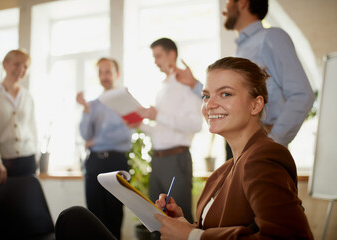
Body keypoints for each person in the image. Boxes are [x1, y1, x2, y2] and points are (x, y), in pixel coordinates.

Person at [54, 57, 314, 240]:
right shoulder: (224, 170)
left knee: (74, 219)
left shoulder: (264, 156)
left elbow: (288, 237)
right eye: (206, 95)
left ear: (256, 105)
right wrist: (183, 224)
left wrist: (191, 235)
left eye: (225, 94)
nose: (210, 104)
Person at [223, 0, 315, 149]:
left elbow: (302, 94)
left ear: (243, 3)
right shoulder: (241, 49)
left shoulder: (271, 38)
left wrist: (273, 140)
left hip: (258, 142)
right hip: (239, 144)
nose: (224, 9)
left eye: (228, 1)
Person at [134, 38, 203, 223]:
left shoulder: (186, 85)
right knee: (156, 219)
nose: (155, 61)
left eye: (158, 56)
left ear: (172, 54)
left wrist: (157, 116)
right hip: (157, 161)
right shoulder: (163, 88)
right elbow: (161, 133)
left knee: (179, 219)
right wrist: (139, 124)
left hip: (176, 161)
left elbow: (196, 124)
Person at [76, 58, 132, 239]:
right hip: (94, 163)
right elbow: (85, 135)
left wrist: (97, 140)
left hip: (116, 162)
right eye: (100, 72)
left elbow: (124, 135)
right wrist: (85, 110)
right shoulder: (93, 104)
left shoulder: (125, 101)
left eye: (107, 72)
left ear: (117, 74)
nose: (104, 76)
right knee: (94, 216)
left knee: (114, 215)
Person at [0, 49, 37, 186]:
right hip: (1, 163)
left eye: (25, 66)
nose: (21, 69)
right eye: (17, 64)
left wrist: (36, 157)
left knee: (26, 204)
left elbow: (33, 128)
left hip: (27, 160)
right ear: (5, 64)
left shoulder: (27, 96)